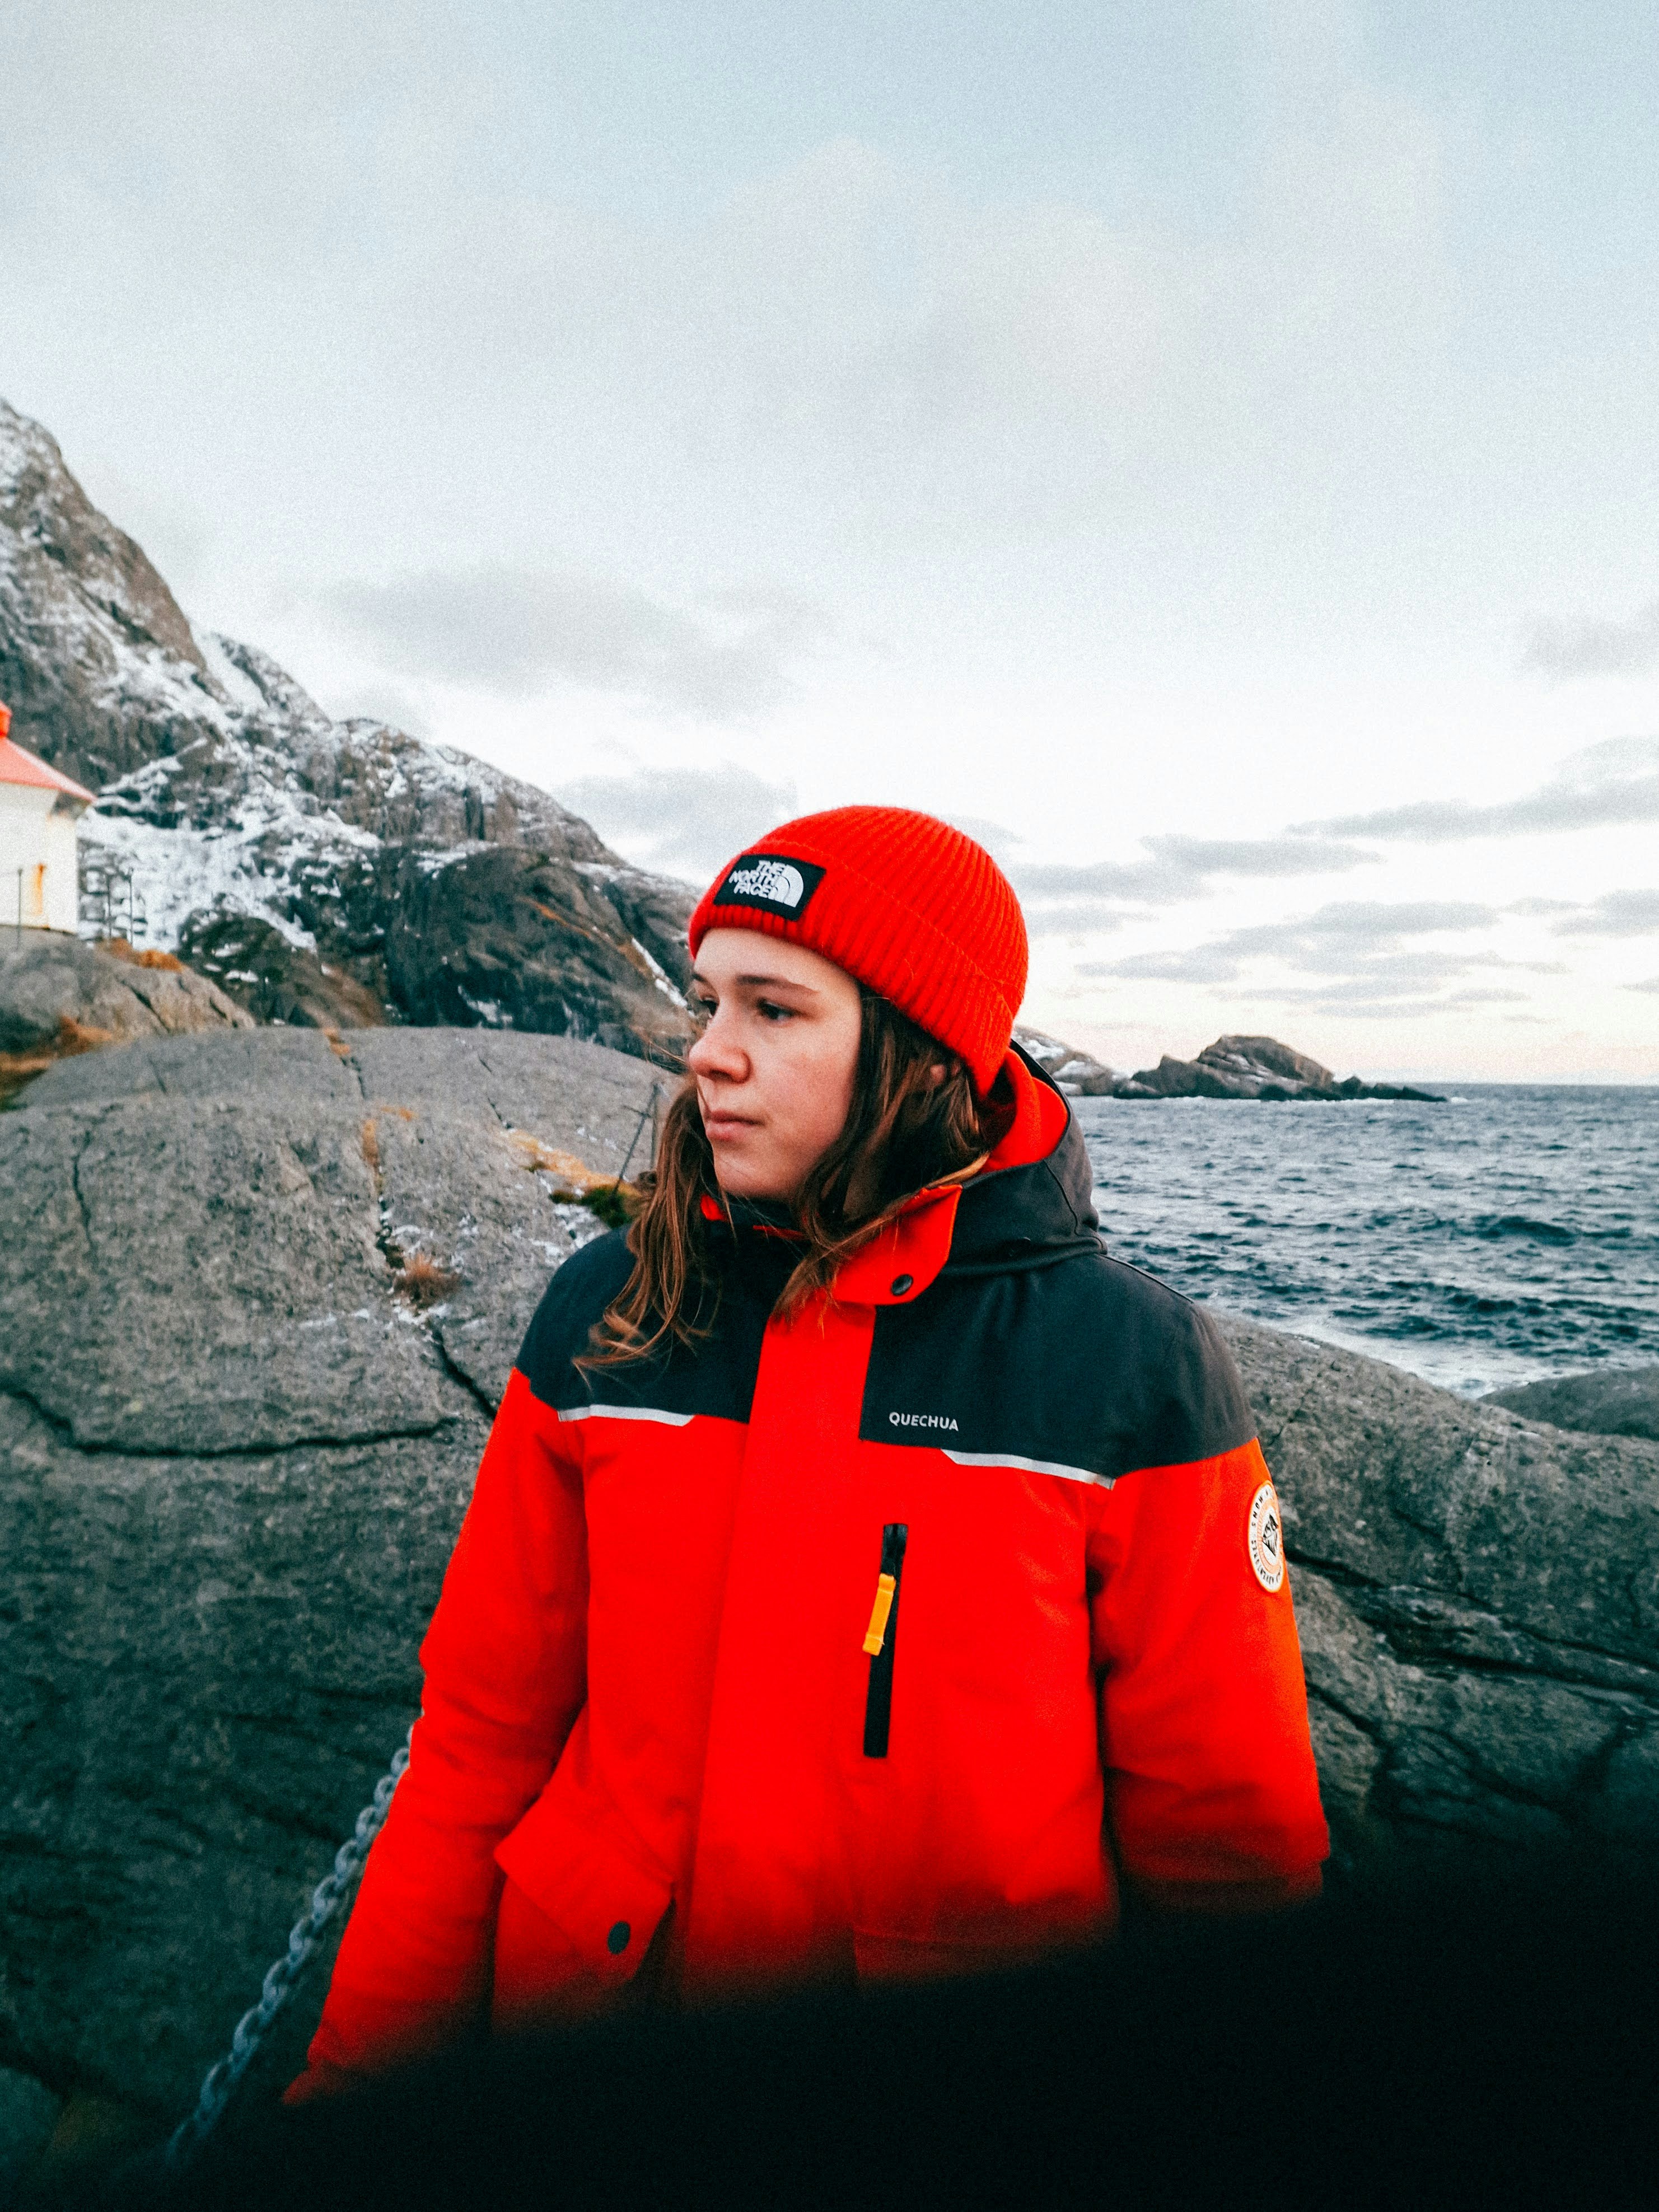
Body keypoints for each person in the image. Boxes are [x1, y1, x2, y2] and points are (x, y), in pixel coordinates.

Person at [288, 806, 1327, 2098]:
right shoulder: (606, 1311)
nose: (706, 1055)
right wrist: (349, 2101)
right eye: (710, 1001)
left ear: (916, 1048)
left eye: (773, 1010)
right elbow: (478, 1746)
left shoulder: (1130, 1368)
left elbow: (1231, 1856)